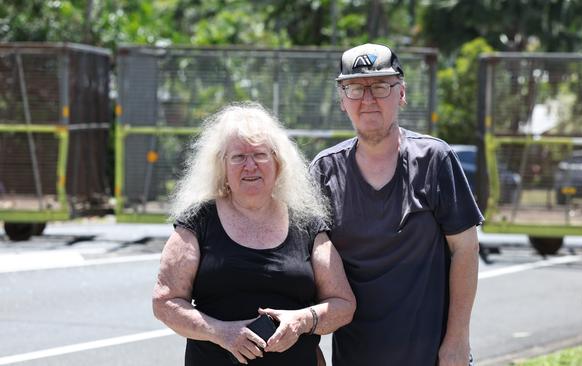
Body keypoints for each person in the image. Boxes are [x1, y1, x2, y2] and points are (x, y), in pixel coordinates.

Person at [309, 43, 483, 366]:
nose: (368, 99)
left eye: (380, 86)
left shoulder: (435, 159)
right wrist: (311, 349)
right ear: (342, 101)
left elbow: (466, 249)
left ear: (401, 93)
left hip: (432, 357)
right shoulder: (323, 171)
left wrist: (458, 340)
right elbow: (306, 268)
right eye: (355, 88)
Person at [153, 102, 356, 365]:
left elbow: (343, 304)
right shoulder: (198, 222)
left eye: (260, 155)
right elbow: (165, 301)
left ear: (278, 164)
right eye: (238, 157)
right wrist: (222, 333)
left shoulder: (307, 225)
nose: (250, 166)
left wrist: (302, 321)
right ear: (222, 167)